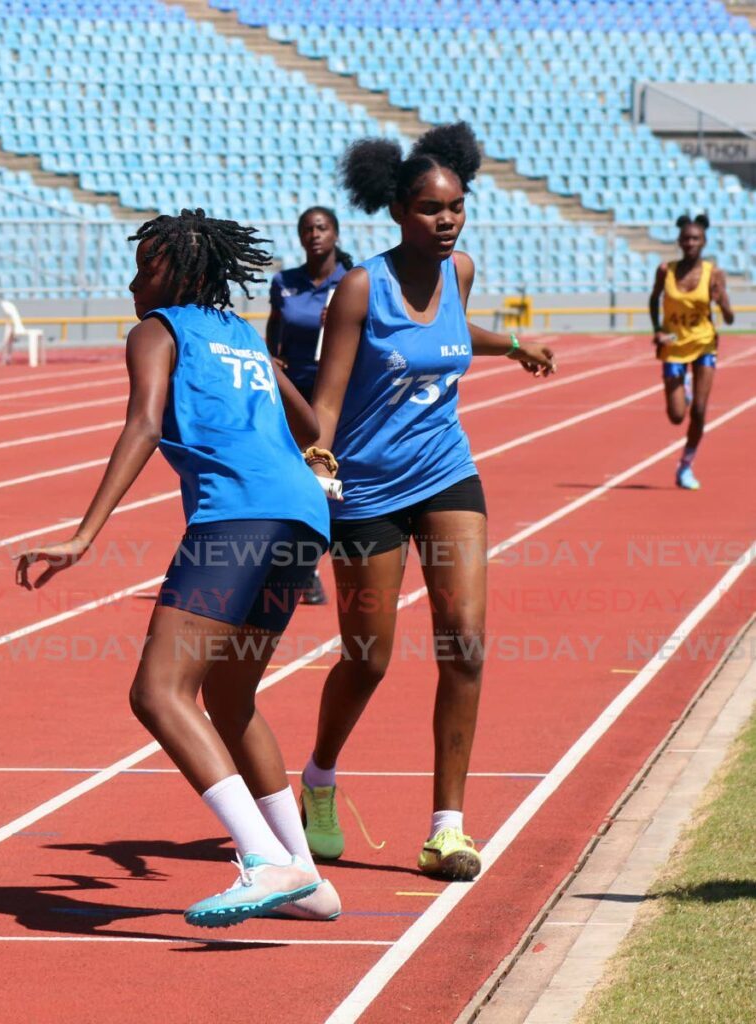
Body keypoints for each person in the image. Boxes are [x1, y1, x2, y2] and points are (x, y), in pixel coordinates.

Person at [15, 210, 341, 926]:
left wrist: (84, 534)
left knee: (159, 694)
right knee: (231, 698)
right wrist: (264, 373)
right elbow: (313, 429)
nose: (134, 281)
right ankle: (309, 878)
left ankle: (262, 860)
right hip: (303, 519)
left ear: (181, 273)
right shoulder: (242, 335)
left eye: (147, 266)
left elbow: (143, 422)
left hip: (238, 519)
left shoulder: (156, 330)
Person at [299, 124, 556, 881]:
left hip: (446, 472)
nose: (445, 221)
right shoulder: (358, 289)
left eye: (455, 206)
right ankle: (318, 777)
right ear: (395, 210)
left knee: (464, 644)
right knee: (368, 660)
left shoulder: (461, 271)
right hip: (368, 491)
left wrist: (508, 345)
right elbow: (328, 399)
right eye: (428, 209)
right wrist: (314, 470)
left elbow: (445, 331)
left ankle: (448, 828)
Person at [266, 207, 354, 605]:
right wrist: (272, 358)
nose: (314, 234)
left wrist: (341, 319)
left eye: (321, 228)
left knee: (328, 484)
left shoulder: (352, 284)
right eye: (307, 229)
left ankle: (311, 566)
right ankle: (302, 568)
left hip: (337, 396)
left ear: (335, 233)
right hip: (292, 396)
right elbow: (274, 330)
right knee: (293, 482)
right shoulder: (285, 282)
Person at [649, 213, 734, 490]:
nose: (690, 243)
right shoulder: (666, 270)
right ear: (679, 241)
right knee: (676, 416)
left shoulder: (714, 273)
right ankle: (683, 387)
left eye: (695, 238)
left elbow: (730, 318)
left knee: (699, 411)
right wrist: (658, 330)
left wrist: (722, 303)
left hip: (704, 344)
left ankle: (685, 465)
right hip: (673, 346)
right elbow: (653, 299)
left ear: (704, 241)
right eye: (686, 238)